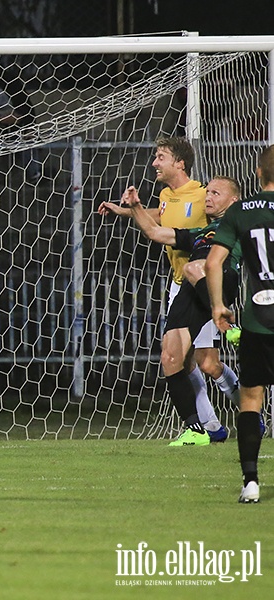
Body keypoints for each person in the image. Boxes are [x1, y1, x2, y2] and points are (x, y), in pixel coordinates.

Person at [98, 137, 240, 442]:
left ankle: (247, 408)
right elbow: (159, 221)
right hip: (181, 284)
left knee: (208, 364)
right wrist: (127, 209)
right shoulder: (165, 195)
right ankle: (208, 427)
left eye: (160, 156)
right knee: (176, 358)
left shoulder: (204, 195)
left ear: (179, 163)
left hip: (207, 281)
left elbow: (225, 223)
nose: (154, 163)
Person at [207, 145, 274, 503]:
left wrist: (218, 305)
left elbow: (214, 262)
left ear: (259, 174)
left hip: (256, 319)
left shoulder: (239, 212)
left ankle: (251, 482)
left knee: (250, 397)